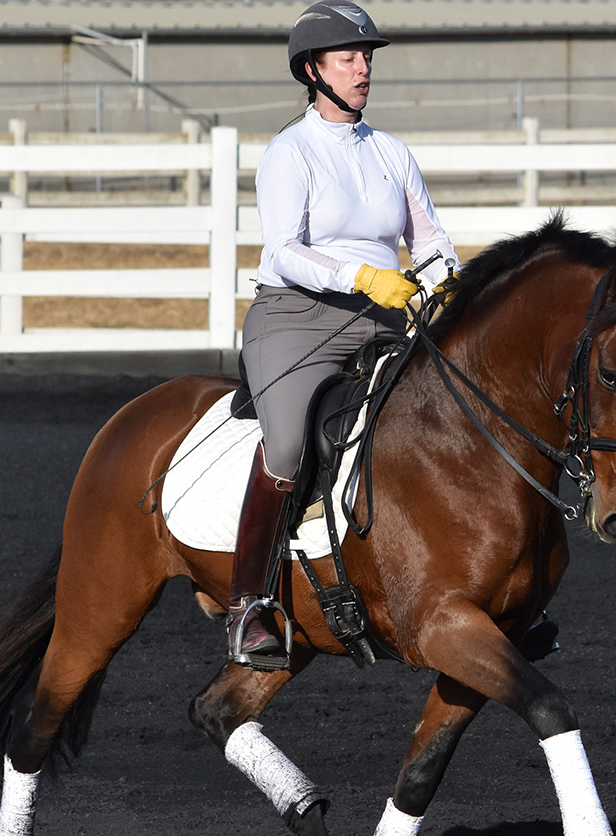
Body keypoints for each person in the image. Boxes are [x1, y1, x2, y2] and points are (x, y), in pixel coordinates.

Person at [228, 1, 460, 669]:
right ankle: (249, 604)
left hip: (383, 318)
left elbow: (430, 239)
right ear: (313, 70)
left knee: (449, 411)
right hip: (297, 318)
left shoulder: (390, 151)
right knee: (291, 441)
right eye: (349, 58)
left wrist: (447, 280)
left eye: (367, 58)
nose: (363, 68)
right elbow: (282, 252)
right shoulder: (289, 152)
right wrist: (365, 274)